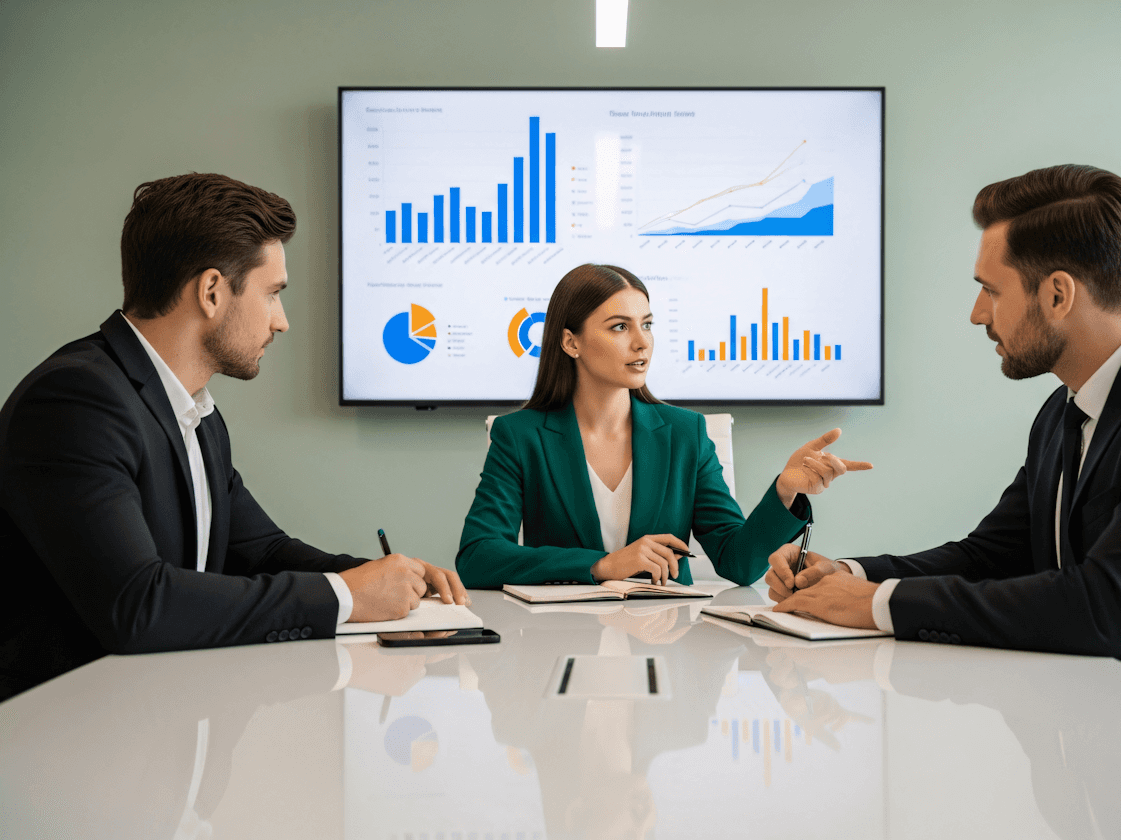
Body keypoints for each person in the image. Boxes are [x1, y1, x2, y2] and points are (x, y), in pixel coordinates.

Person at [0, 172, 467, 701]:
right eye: (272, 294)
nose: (281, 321)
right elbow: (139, 605)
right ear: (212, 292)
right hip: (65, 732)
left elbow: (261, 551)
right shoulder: (76, 400)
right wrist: (345, 595)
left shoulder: (195, 412)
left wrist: (384, 578)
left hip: (158, 718)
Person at [766, 164, 1121, 693]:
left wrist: (879, 604)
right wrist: (850, 575)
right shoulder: (1062, 410)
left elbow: (1107, 607)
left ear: (1058, 295)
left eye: (991, 291)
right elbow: (991, 557)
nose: (977, 315)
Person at [456, 263, 871, 589]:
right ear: (571, 342)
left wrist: (785, 491)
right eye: (620, 327)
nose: (642, 342)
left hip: (668, 639)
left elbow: (738, 563)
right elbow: (477, 557)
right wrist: (602, 565)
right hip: (561, 639)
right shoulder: (520, 436)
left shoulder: (685, 433)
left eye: (648, 324)